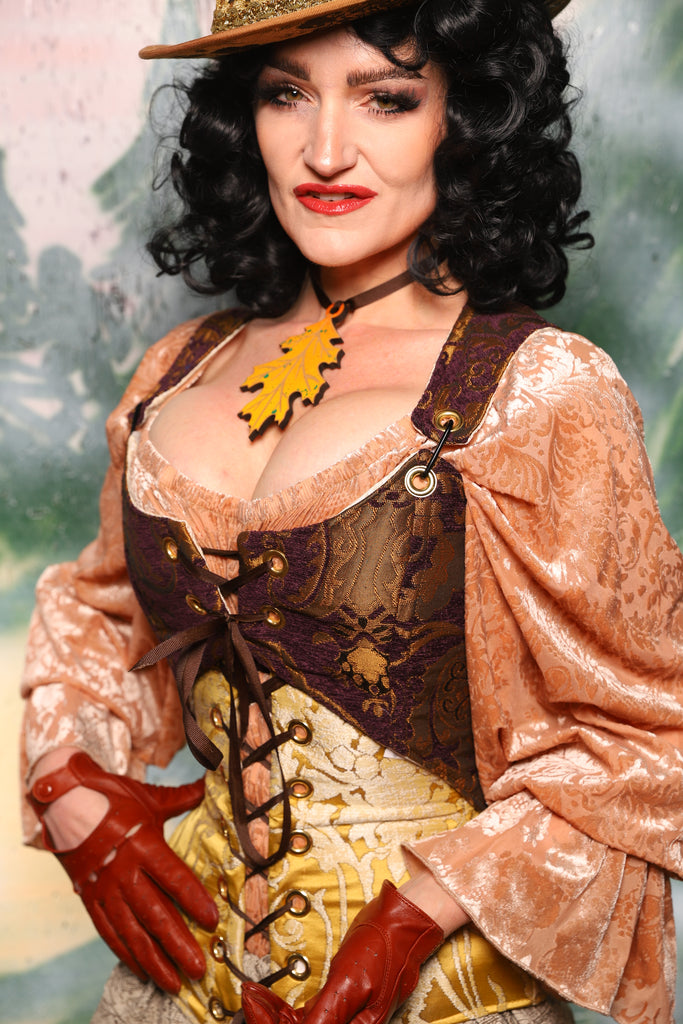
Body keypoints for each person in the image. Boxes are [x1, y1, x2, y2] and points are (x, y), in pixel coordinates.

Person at [19, 1, 683, 1023]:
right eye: (287, 93)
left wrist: (419, 910)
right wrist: (66, 785)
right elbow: (105, 611)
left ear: (467, 116)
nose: (326, 150)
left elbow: (647, 733)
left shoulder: (538, 389)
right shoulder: (179, 368)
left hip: (441, 1002)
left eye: (387, 99)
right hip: (164, 994)